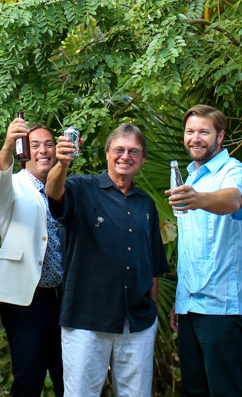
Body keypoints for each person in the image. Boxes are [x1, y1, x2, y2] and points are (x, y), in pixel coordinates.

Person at [46, 123, 169, 397]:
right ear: (107, 154)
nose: (126, 156)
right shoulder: (80, 187)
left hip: (137, 321)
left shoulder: (146, 204)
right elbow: (53, 192)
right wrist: (62, 164)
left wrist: (153, 311)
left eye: (134, 152)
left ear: (143, 160)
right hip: (86, 316)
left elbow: (153, 264)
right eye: (120, 150)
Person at [166, 104, 242, 397]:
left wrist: (200, 199)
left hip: (223, 308)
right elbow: (192, 249)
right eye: (190, 131)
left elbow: (232, 200)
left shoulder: (235, 172)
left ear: (220, 136)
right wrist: (180, 300)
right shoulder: (190, 178)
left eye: (204, 132)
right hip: (190, 308)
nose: (195, 138)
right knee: (195, 391)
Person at [0, 118, 65, 397]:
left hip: (65, 302)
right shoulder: (14, 186)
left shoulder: (68, 188)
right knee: (28, 382)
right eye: (35, 145)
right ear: (24, 151)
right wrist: (7, 144)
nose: (43, 150)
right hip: (27, 301)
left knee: (69, 383)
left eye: (49, 144)